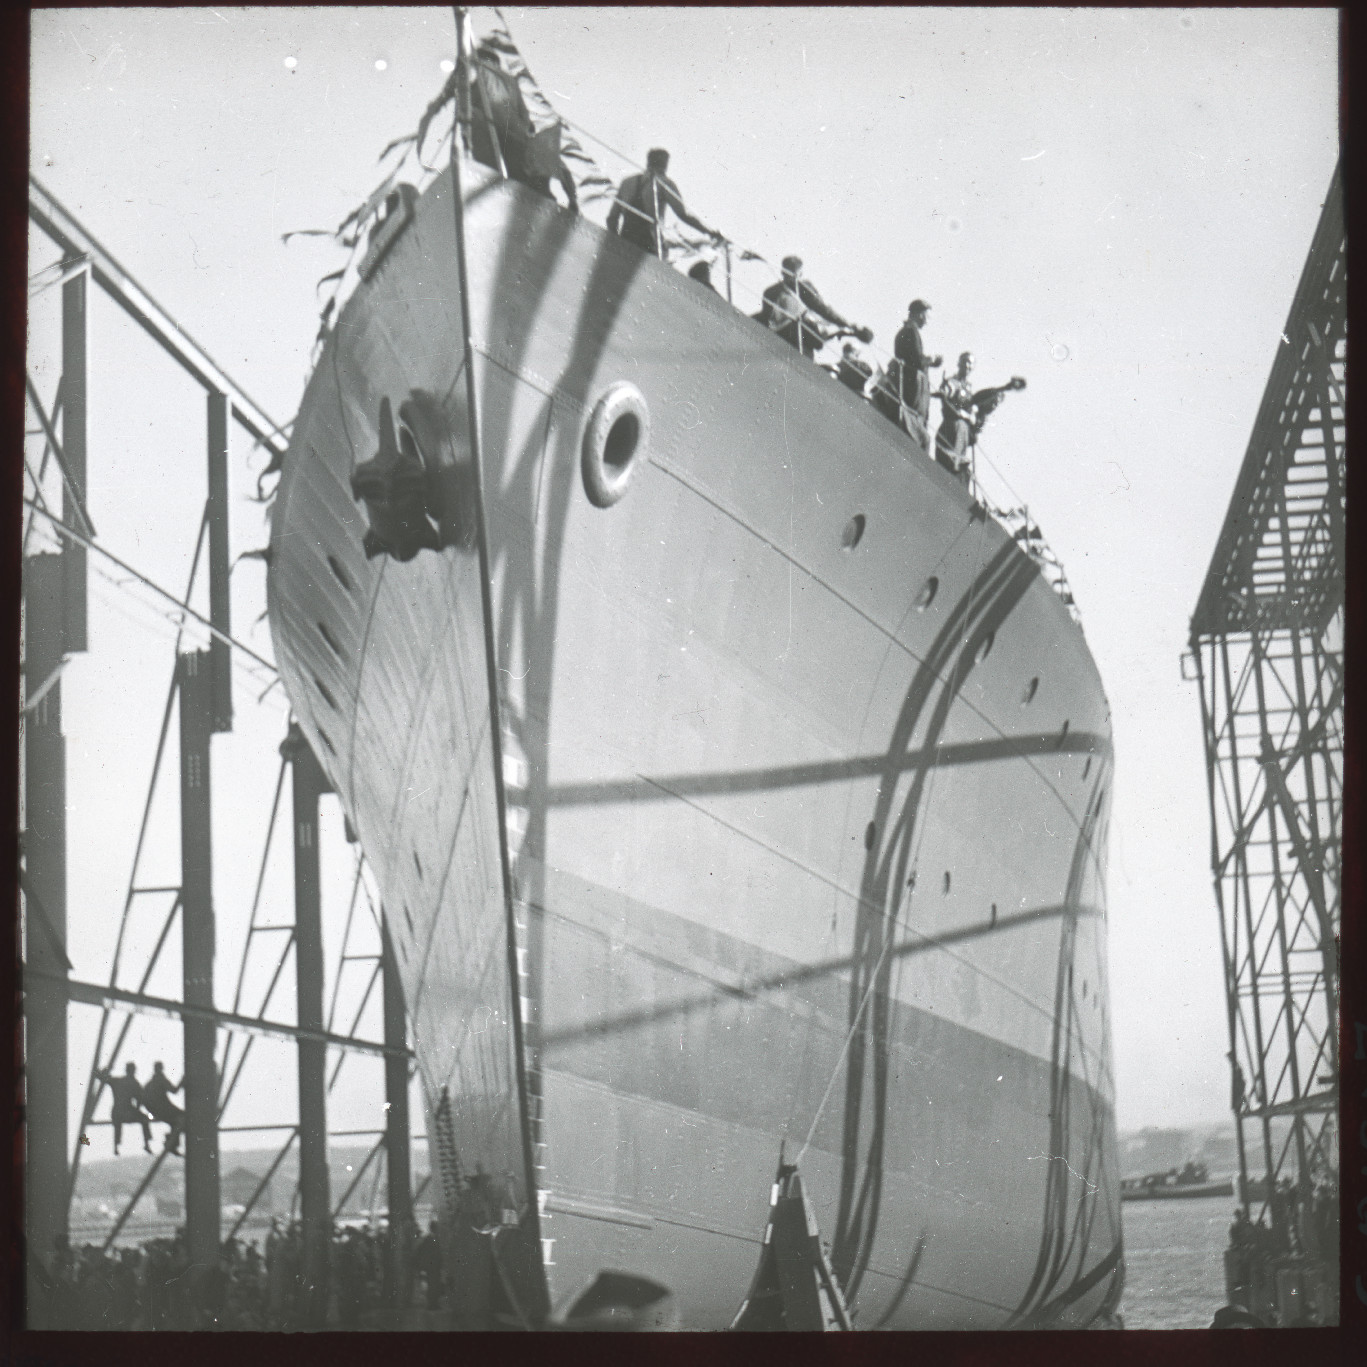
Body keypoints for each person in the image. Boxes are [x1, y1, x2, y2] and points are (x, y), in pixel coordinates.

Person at [469, 41, 577, 210]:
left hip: (492, 131)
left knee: (498, 177)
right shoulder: (510, 80)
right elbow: (524, 114)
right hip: (516, 134)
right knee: (523, 179)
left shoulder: (477, 72)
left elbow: (469, 106)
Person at [607, 148, 721, 259]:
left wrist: (617, 243)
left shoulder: (627, 182)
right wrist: (709, 233)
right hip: (649, 244)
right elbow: (683, 215)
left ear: (648, 162)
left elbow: (612, 219)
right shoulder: (665, 183)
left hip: (625, 240)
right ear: (665, 165)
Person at [759, 256, 873, 359]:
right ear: (799, 273)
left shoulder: (770, 291)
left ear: (782, 271)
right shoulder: (802, 287)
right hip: (799, 343)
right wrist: (848, 325)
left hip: (775, 338)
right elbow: (822, 309)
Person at [894, 299, 941, 421]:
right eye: (927, 316)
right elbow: (916, 360)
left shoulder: (907, 330)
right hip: (911, 388)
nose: (927, 321)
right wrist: (932, 360)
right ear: (920, 314)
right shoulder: (911, 331)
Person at [935, 351, 976, 484]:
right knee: (949, 465)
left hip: (963, 434)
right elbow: (944, 397)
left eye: (971, 364)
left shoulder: (969, 388)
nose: (968, 366)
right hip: (952, 428)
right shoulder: (952, 382)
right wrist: (960, 414)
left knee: (960, 468)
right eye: (966, 362)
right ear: (959, 363)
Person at [98, 1061, 153, 1156]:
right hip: (127, 1112)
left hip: (116, 1112)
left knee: (117, 1123)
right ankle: (146, 1144)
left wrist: (106, 1069)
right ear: (133, 1071)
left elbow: (102, 1078)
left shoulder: (118, 1081)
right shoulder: (134, 1083)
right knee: (144, 1119)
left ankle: (116, 1147)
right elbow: (140, 1100)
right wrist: (137, 1110)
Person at [141, 1061, 185, 1156]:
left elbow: (143, 1099)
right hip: (164, 1110)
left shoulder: (149, 1083)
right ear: (161, 1069)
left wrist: (151, 1110)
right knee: (183, 1118)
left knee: (175, 1122)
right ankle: (172, 1143)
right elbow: (174, 1090)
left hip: (156, 1111)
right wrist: (183, 1081)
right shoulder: (162, 1080)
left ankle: (171, 1142)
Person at [412, 1219, 444, 1312]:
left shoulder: (429, 1238)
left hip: (432, 1265)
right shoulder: (432, 1239)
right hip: (433, 1265)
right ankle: (432, 1304)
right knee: (433, 1284)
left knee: (433, 1284)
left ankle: (433, 1303)